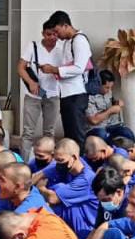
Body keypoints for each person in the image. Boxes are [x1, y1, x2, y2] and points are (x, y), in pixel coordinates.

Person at [38, 12, 94, 145]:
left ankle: (80, 157)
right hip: (66, 94)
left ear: (65, 25)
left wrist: (54, 69)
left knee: (77, 135)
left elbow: (79, 67)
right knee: (69, 136)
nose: (56, 36)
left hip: (76, 94)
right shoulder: (68, 42)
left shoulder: (79, 40)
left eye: (57, 31)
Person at [17, 21, 62, 158]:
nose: (52, 37)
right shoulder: (33, 46)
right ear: (43, 33)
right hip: (33, 95)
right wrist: (30, 82)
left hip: (53, 94)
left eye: (55, 34)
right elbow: (20, 67)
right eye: (48, 34)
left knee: (49, 132)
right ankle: (24, 163)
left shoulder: (61, 48)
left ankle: (47, 161)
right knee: (28, 132)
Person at [40, 139, 98, 239]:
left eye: (60, 160)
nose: (57, 164)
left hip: (85, 228)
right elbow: (37, 176)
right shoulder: (73, 164)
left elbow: (53, 198)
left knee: (57, 190)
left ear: (74, 158)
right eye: (56, 160)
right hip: (72, 219)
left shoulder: (86, 179)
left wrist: (41, 188)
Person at [85, 70, 135, 142]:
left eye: (111, 87)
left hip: (111, 125)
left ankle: (134, 148)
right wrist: (110, 111)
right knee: (102, 134)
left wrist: (116, 103)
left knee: (127, 132)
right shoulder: (89, 96)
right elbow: (94, 120)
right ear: (98, 84)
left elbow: (110, 103)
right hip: (96, 128)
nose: (109, 90)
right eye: (107, 87)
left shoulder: (108, 92)